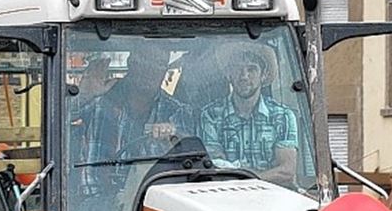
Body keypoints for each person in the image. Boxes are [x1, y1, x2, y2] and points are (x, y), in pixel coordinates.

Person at [76, 44, 193, 168]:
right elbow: (59, 121)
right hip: (92, 186)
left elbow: (190, 156)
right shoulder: (100, 102)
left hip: (155, 186)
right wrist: (84, 95)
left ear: (165, 70)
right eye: (145, 61)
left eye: (159, 64)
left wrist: (172, 137)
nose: (151, 70)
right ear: (131, 63)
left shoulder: (177, 112)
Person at [198, 45, 299, 187]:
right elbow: (215, 169)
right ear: (229, 74)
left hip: (276, 199)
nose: (244, 76)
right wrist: (262, 177)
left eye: (251, 69)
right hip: (225, 198)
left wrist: (246, 180)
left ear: (263, 75)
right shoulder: (211, 115)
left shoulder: (283, 117)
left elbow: (287, 172)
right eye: (238, 69)